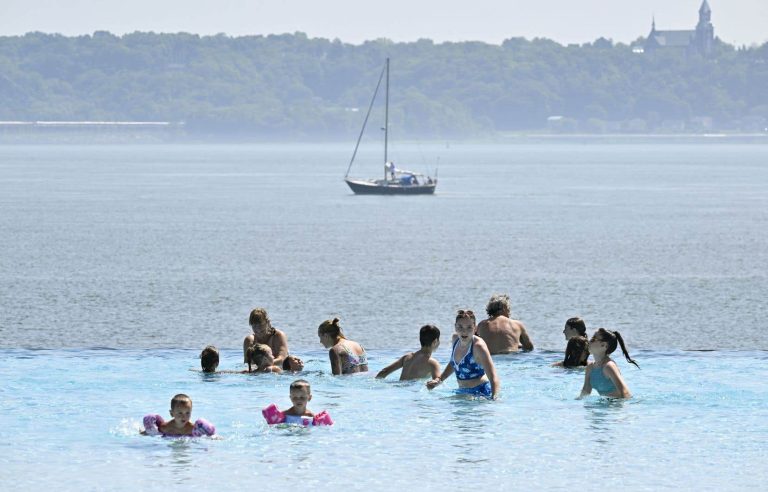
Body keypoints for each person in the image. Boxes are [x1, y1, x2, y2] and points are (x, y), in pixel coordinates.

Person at [426, 310, 500, 399]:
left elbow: (493, 376)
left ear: (475, 328)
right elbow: (454, 363)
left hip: (479, 393)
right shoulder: (455, 339)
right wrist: (439, 380)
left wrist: (494, 398)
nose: (464, 331)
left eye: (469, 327)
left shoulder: (478, 347)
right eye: (460, 327)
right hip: (462, 392)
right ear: (455, 327)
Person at [578, 328, 639, 399]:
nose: (589, 341)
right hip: (604, 406)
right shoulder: (590, 367)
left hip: (615, 406)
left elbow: (625, 391)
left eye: (593, 339)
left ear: (604, 345)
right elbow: (586, 390)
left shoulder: (609, 366)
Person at [376, 324, 441, 380]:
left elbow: (384, 371)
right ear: (435, 341)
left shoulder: (407, 357)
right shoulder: (432, 363)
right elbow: (436, 382)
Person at [262, 379, 333, 426]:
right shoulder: (284, 414)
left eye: (302, 397)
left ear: (309, 398)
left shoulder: (311, 416)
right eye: (295, 397)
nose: (298, 400)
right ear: (290, 398)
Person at [141, 394, 216, 437]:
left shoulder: (193, 429)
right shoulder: (164, 428)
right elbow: (147, 433)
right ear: (172, 413)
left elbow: (212, 436)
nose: (184, 416)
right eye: (180, 413)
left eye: (187, 413)